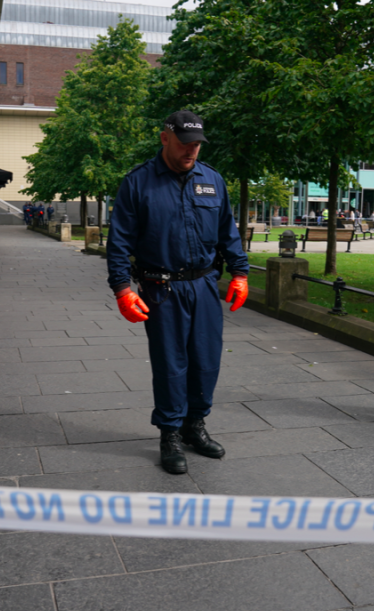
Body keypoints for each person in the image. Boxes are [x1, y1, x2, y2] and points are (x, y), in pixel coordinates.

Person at [106, 111, 249, 474]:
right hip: (161, 287)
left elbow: (227, 232)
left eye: (197, 144)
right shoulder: (138, 183)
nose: (192, 150)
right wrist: (122, 288)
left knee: (206, 361)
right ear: (164, 138)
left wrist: (240, 272)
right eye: (185, 143)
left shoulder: (212, 180)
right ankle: (169, 432)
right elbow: (119, 241)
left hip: (203, 285)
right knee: (171, 365)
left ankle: (194, 426)